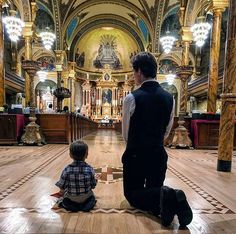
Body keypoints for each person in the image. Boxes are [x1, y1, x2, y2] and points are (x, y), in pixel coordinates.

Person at [122, 52, 192, 227]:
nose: (133, 75)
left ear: (138, 71)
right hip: (158, 155)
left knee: (132, 195)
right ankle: (167, 202)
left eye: (133, 71)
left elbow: (126, 133)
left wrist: (134, 148)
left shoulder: (131, 98)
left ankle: (171, 195)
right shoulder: (169, 97)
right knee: (155, 192)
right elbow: (167, 130)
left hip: (136, 155)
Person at [55, 140, 97, 212]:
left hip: (71, 198)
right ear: (86, 155)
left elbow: (62, 185)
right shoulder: (90, 169)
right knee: (92, 198)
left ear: (70, 155)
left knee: (65, 199)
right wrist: (96, 179)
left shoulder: (67, 169)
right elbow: (93, 185)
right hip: (86, 197)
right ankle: (87, 205)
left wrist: (62, 191)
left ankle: (71, 206)